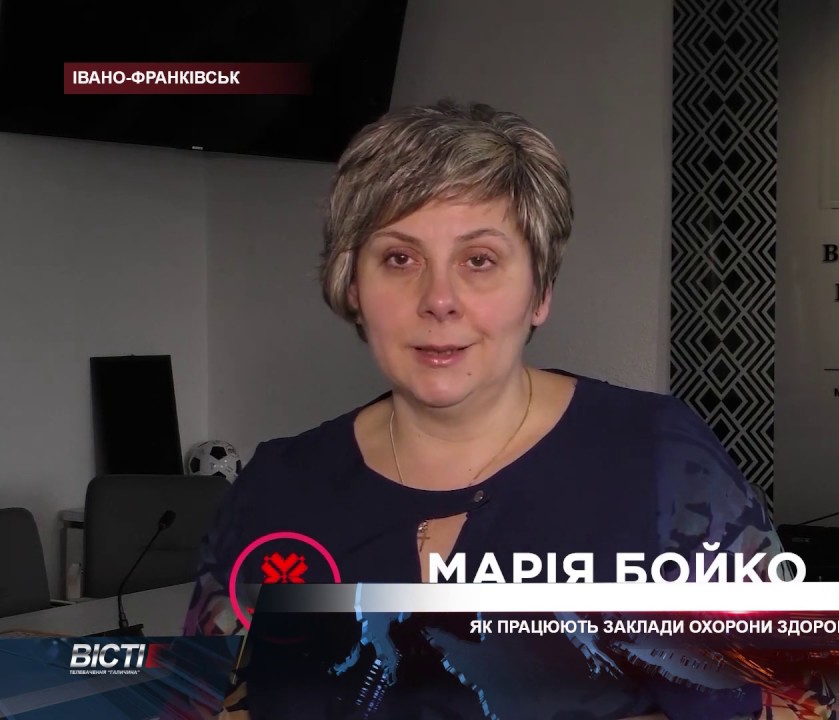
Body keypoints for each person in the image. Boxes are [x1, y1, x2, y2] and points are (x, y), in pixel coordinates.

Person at [185, 100, 785, 720]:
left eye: (479, 260)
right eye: (399, 258)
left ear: (540, 291)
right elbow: (198, 701)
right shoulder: (275, 490)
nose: (439, 299)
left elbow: (785, 701)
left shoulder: (663, 463)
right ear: (352, 286)